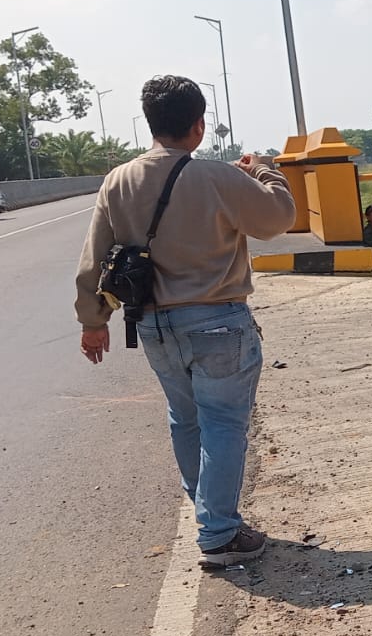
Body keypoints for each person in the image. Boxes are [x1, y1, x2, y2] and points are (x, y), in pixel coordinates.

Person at [73, 75, 295, 567]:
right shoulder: (217, 177)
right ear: (198, 126)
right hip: (218, 322)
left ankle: (210, 515)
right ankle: (217, 533)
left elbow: (94, 258)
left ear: (152, 125)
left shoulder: (119, 180)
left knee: (186, 418)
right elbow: (277, 220)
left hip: (152, 325)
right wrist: (266, 172)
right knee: (223, 424)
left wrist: (93, 321)